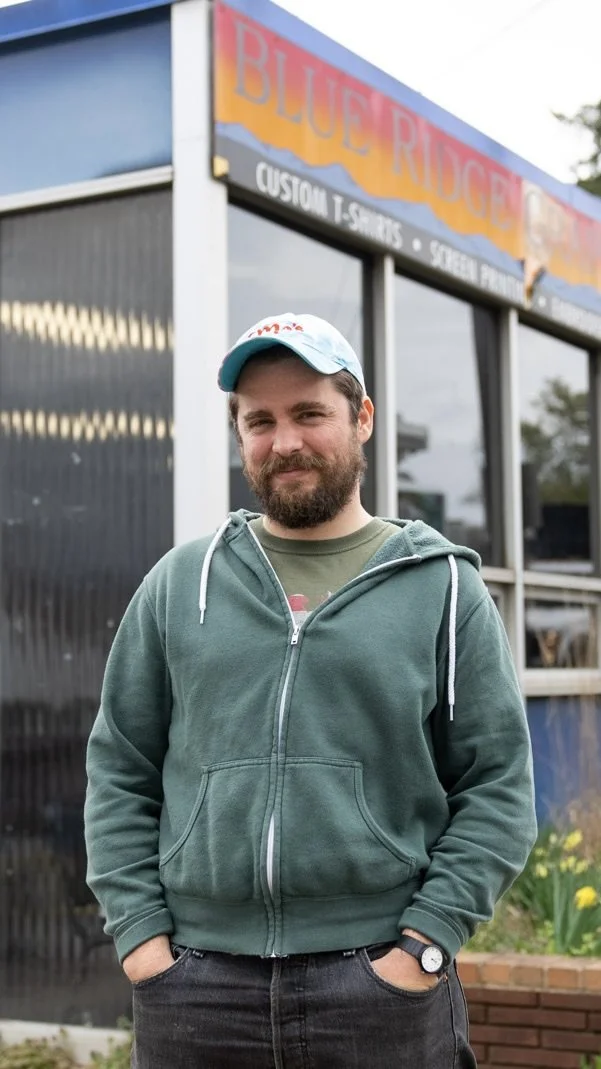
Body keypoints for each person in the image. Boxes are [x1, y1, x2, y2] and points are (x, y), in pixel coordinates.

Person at [85, 312, 537, 1068]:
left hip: (378, 987)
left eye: (308, 413)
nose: (283, 440)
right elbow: (120, 768)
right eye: (258, 419)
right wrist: (141, 939)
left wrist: (422, 947)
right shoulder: (179, 583)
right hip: (196, 988)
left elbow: (497, 785)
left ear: (360, 418)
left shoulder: (444, 588)